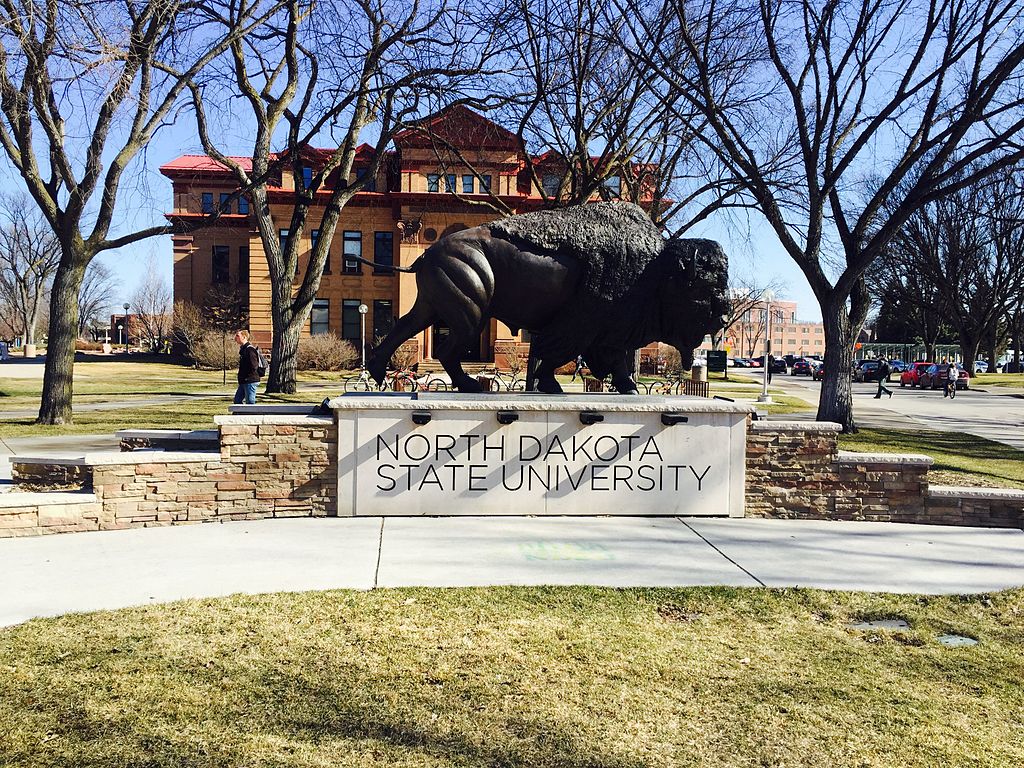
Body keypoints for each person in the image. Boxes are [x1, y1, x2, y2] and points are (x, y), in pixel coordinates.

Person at [234, 329, 262, 405]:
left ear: (244, 337)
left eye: (237, 336)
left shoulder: (250, 350)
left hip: (250, 380)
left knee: (250, 402)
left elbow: (254, 366)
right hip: (244, 381)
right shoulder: (244, 349)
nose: (235, 338)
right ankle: (238, 415)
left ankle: (252, 416)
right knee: (237, 401)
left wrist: (246, 376)